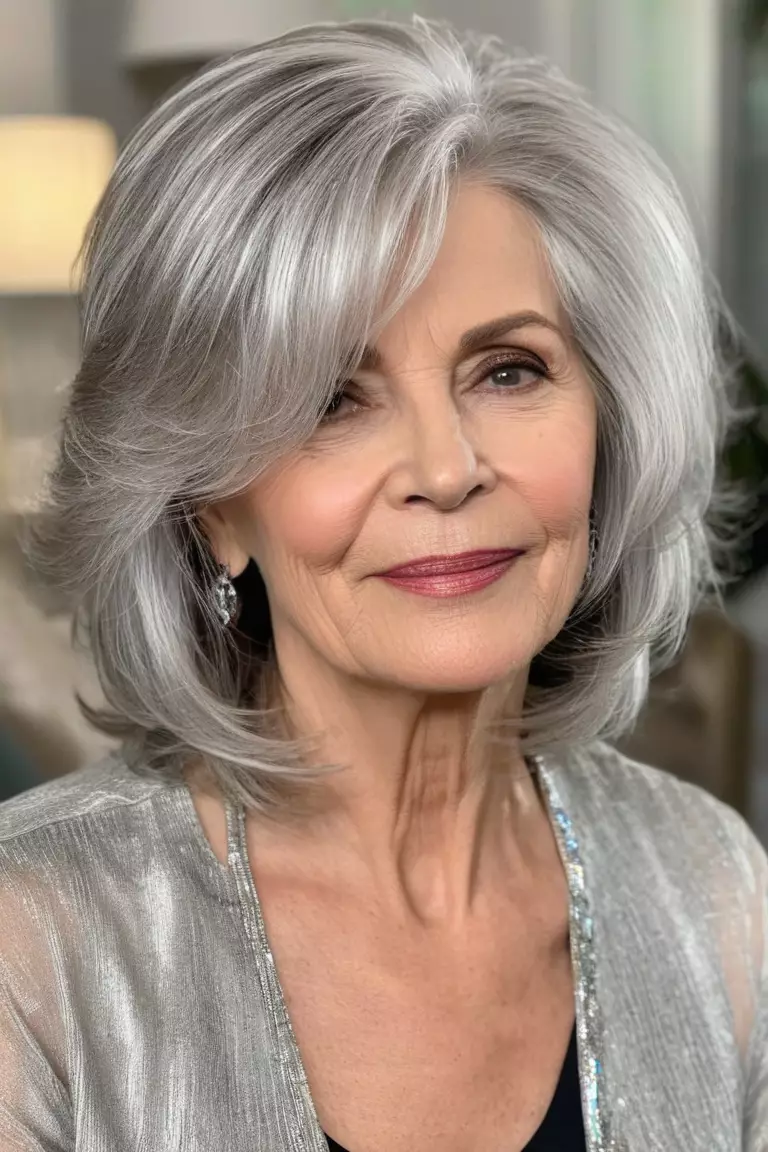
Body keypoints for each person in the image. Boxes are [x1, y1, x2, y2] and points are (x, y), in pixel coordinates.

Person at [0, 15, 765, 1151]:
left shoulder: (715, 892)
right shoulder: (36, 944)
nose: (448, 470)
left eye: (509, 370)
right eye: (331, 399)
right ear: (212, 502)